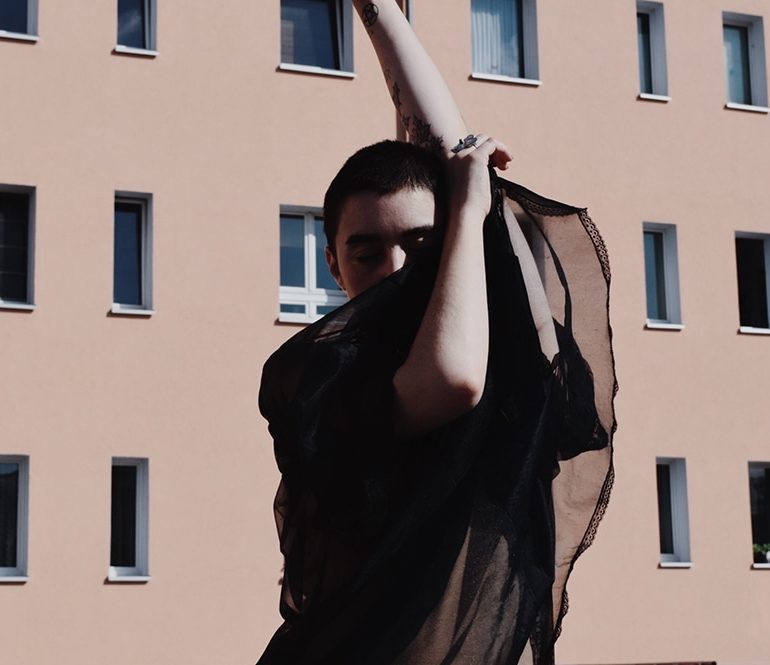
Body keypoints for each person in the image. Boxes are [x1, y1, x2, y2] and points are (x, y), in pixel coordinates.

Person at [257, 2, 616, 663]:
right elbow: (451, 382)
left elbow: (445, 144)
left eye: (420, 246)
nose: (396, 270)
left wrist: (373, 8)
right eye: (368, 252)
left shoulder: (500, 340)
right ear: (332, 264)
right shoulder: (320, 383)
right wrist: (467, 210)